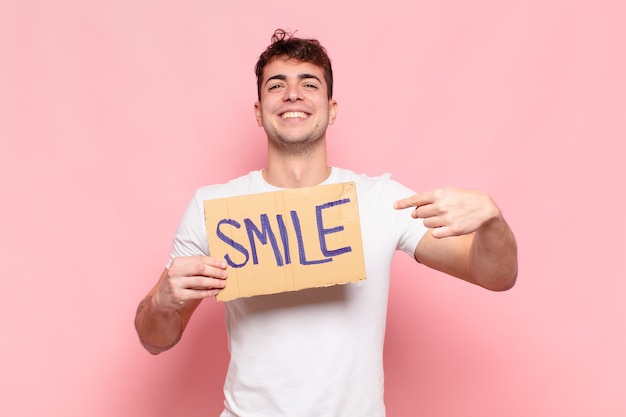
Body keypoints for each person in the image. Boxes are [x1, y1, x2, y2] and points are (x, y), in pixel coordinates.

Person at [134, 29, 518, 417]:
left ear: (332, 109)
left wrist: (492, 222)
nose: (292, 94)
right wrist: (161, 302)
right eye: (277, 84)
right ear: (258, 110)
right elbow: (156, 340)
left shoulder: (381, 200)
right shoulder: (214, 206)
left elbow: (494, 276)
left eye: (309, 83)